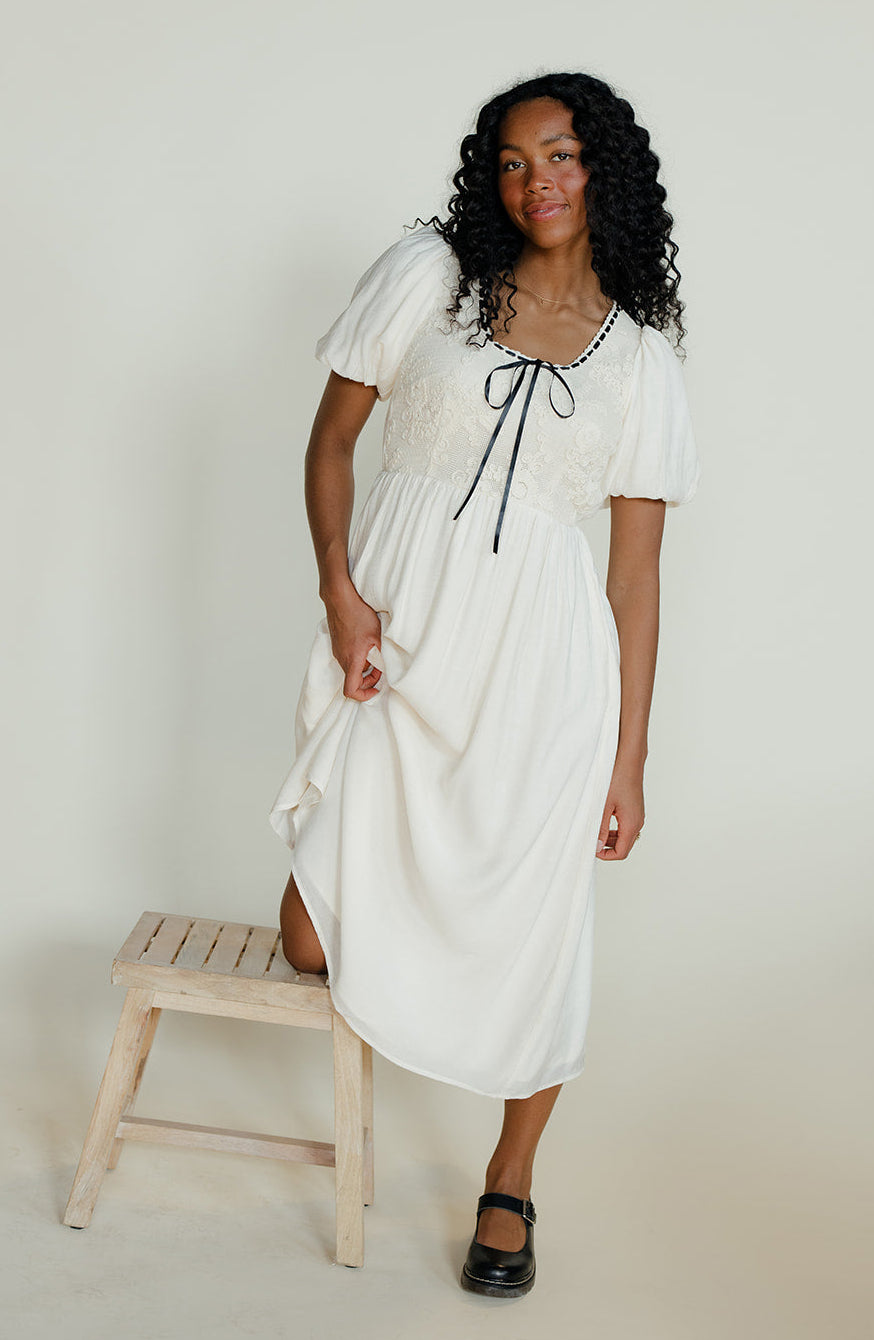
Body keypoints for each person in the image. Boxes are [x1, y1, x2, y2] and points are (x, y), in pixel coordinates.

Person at [269, 70, 701, 1297]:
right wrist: (341, 592)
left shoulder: (643, 366)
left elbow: (635, 581)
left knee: (542, 931)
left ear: (603, 170)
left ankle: (509, 1180)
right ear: (490, 177)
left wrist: (628, 754)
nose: (538, 182)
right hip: (397, 655)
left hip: (541, 681)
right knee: (311, 933)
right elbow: (332, 443)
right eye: (513, 162)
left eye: (561, 156)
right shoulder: (429, 278)